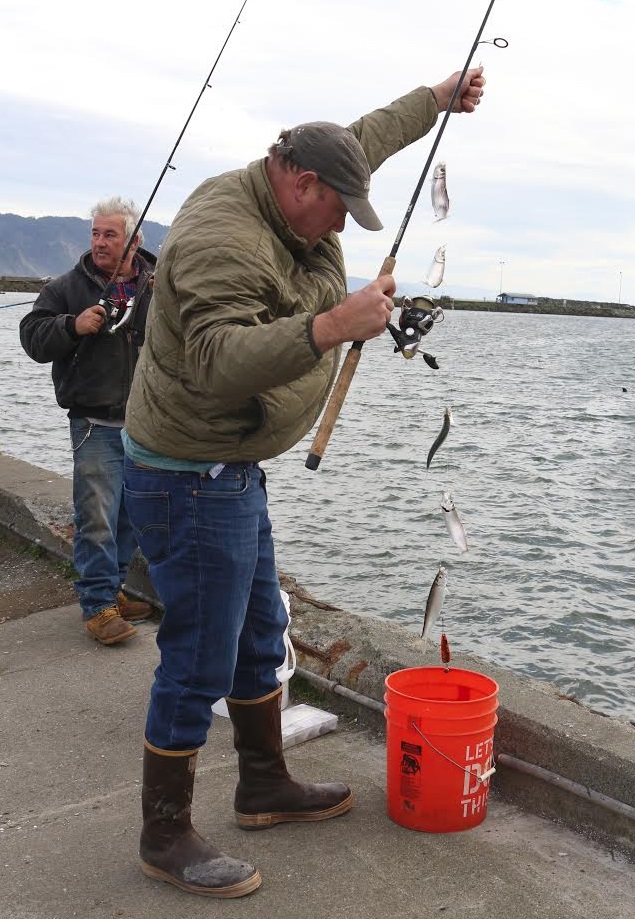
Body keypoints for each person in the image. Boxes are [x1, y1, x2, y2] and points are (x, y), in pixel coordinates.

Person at [121, 67, 486, 898]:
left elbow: (368, 136)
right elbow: (216, 364)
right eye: (335, 209)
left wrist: (436, 99)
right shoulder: (224, 236)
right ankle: (163, 831)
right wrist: (333, 325)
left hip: (232, 470)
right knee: (198, 657)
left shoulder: (305, 179)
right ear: (297, 181)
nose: (340, 225)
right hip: (189, 474)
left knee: (257, 636)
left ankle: (262, 785)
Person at [19, 197, 156, 645]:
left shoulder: (159, 285)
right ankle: (97, 605)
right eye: (95, 233)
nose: (99, 242)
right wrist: (70, 326)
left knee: (132, 517)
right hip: (94, 423)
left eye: (109, 234)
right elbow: (32, 337)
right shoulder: (66, 288)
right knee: (95, 516)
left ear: (133, 241)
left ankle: (113, 589)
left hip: (148, 425)